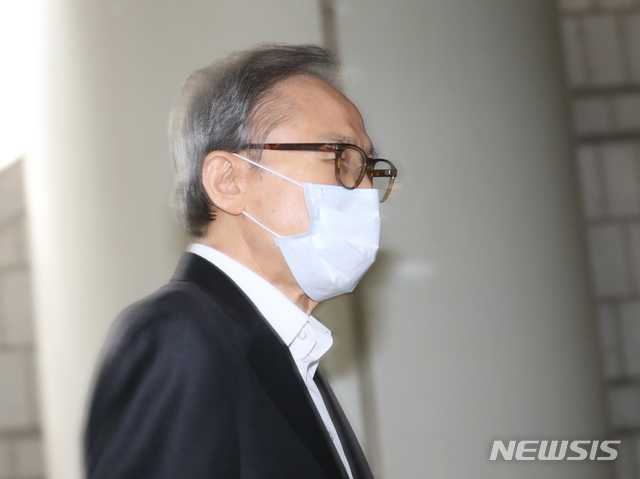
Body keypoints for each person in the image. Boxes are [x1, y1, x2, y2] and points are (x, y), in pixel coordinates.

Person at [84, 43, 397, 479]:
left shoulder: (286, 352)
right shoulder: (178, 337)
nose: (364, 190)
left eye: (367, 168)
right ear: (228, 181)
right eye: (340, 158)